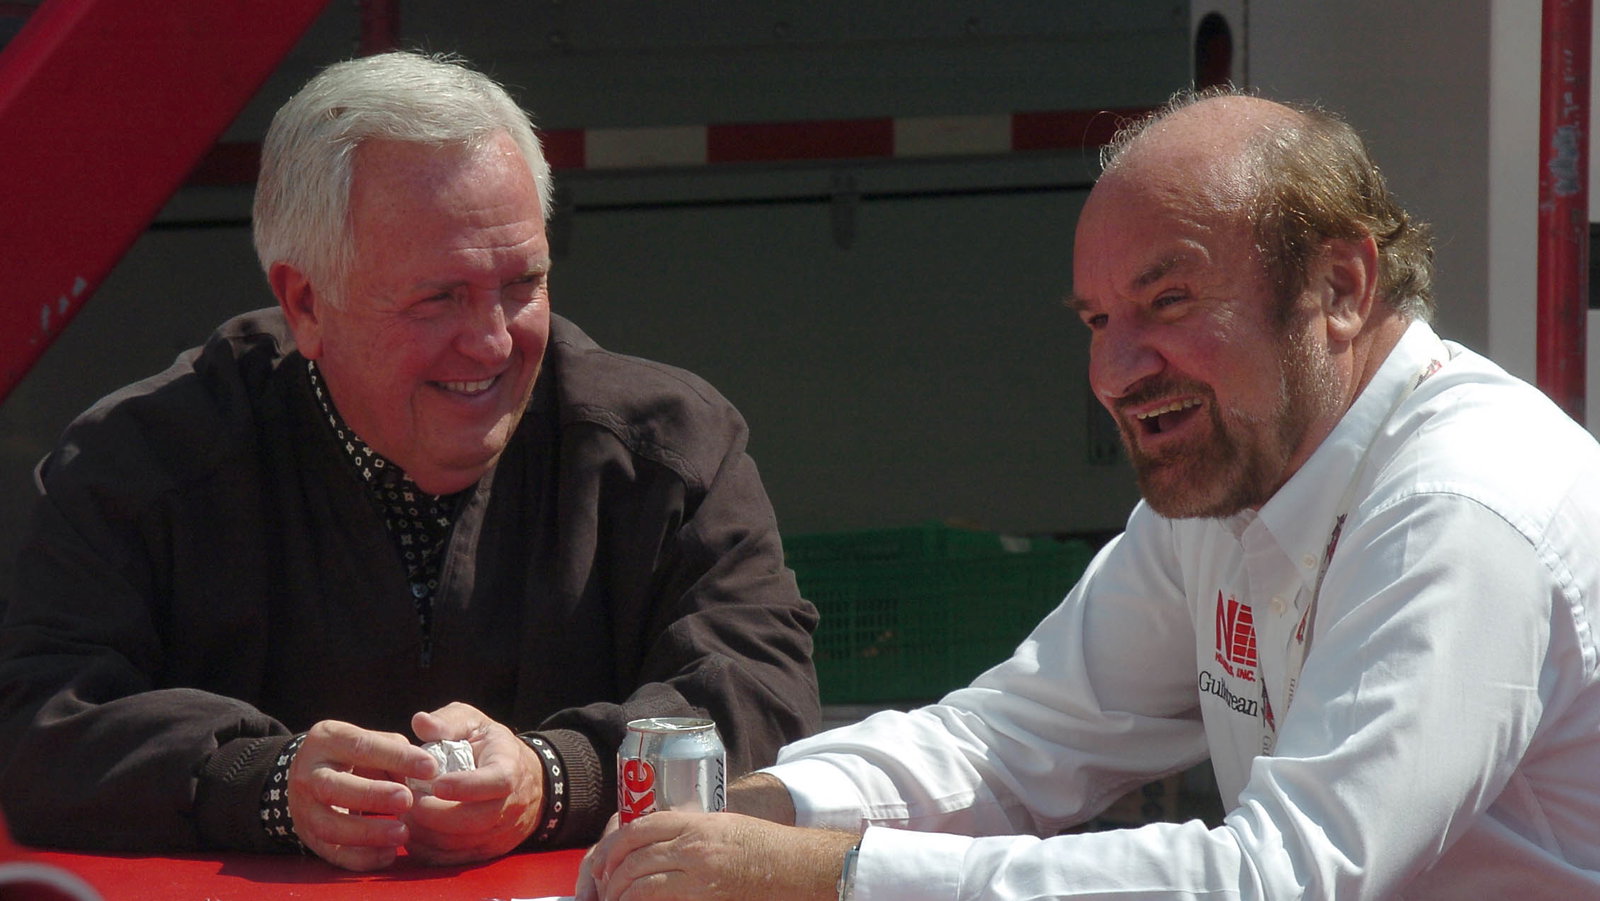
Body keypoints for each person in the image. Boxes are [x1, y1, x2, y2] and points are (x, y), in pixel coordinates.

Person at [576, 88, 1600, 899]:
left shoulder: (1459, 506)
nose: (1114, 372)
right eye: (1096, 320)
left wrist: (831, 876)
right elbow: (1012, 740)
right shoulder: (1238, 476)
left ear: (1339, 287)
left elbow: (1284, 878)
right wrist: (766, 808)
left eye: (1166, 301)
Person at [0, 51, 820, 872]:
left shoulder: (669, 450)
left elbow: (763, 689)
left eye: (521, 283)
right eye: (441, 297)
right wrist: (265, 781)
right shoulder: (139, 464)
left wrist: (558, 773)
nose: (494, 341)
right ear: (306, 302)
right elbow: (38, 719)